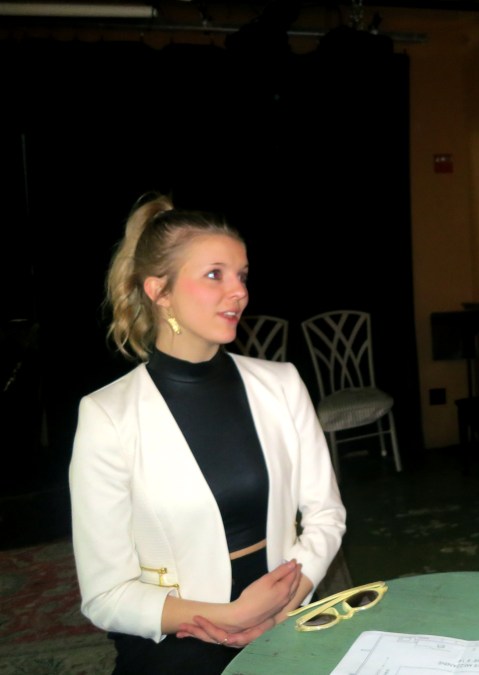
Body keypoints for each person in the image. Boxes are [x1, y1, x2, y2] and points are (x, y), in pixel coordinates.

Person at [69, 194, 346, 674]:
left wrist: (283, 605)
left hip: (286, 621)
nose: (238, 292)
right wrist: (231, 616)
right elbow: (105, 595)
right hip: (177, 645)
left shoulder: (281, 384)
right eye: (215, 275)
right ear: (160, 291)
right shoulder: (107, 416)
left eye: (242, 276)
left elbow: (326, 515)